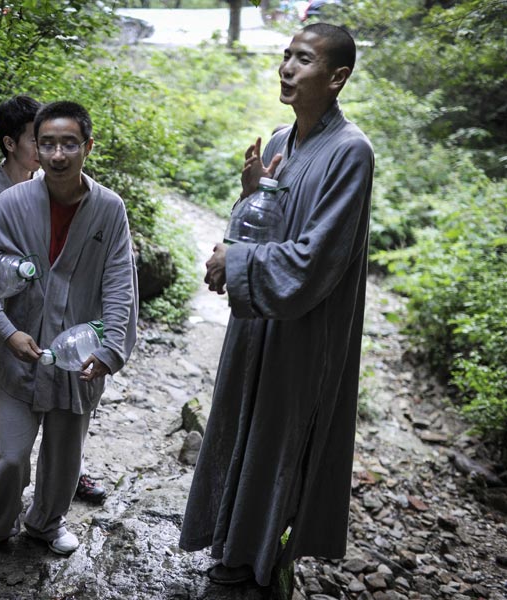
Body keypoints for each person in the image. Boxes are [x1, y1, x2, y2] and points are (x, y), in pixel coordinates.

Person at [179, 23, 374, 587]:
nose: (286, 67)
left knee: (278, 439)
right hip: (257, 322)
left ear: (337, 77)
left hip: (304, 331)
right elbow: (260, 230)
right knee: (240, 423)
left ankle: (259, 562)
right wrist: (247, 201)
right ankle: (228, 541)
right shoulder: (281, 140)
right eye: (285, 55)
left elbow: (316, 260)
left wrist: (235, 264)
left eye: (303, 59)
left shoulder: (350, 153)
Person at [0, 101, 138, 557]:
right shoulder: (9, 203)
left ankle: (45, 524)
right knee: (12, 455)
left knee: (64, 457)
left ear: (87, 147)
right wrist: (3, 331)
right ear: (35, 148)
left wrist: (112, 350)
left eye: (69, 144)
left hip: (78, 356)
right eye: (48, 144)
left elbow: (121, 284)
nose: (58, 155)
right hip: (19, 351)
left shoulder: (109, 209)